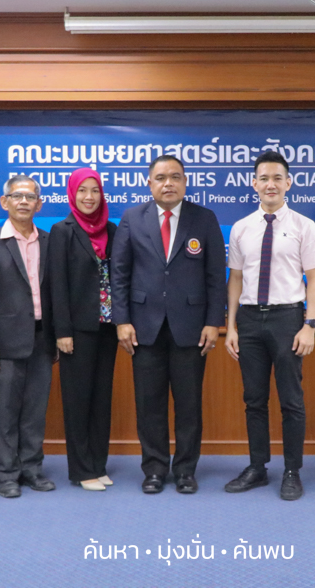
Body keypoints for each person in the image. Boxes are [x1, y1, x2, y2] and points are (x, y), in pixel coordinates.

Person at [112, 155, 226, 495]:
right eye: (161, 177)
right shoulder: (133, 218)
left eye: (175, 177)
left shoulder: (203, 218)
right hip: (143, 327)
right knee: (149, 403)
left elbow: (215, 276)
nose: (168, 183)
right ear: (149, 183)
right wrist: (122, 321)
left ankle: (187, 470)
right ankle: (155, 469)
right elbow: (119, 274)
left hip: (191, 327)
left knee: (189, 403)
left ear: (185, 182)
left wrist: (213, 322)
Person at [224, 150, 315, 501]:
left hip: (288, 319)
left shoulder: (303, 226)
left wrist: (310, 324)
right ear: (253, 184)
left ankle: (292, 470)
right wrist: (231, 326)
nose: (270, 184)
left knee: (291, 400)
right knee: (253, 399)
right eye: (264, 178)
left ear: (288, 183)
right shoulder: (241, 228)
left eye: (277, 178)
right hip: (249, 320)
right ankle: (257, 466)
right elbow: (235, 279)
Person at [0, 175, 56, 498]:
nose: (24, 201)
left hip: (41, 340)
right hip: (3, 343)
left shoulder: (49, 242)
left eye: (30, 196)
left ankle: (32, 469)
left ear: (39, 203)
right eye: (16, 196)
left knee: (35, 410)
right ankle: (7, 473)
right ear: (4, 202)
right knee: (6, 411)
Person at [49, 169, 118, 491]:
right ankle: (81, 469)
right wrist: (62, 331)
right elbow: (57, 285)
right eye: (82, 191)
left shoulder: (113, 231)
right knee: (78, 400)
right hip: (76, 330)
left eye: (95, 191)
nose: (89, 197)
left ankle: (98, 464)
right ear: (72, 195)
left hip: (107, 328)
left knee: (101, 399)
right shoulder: (62, 231)